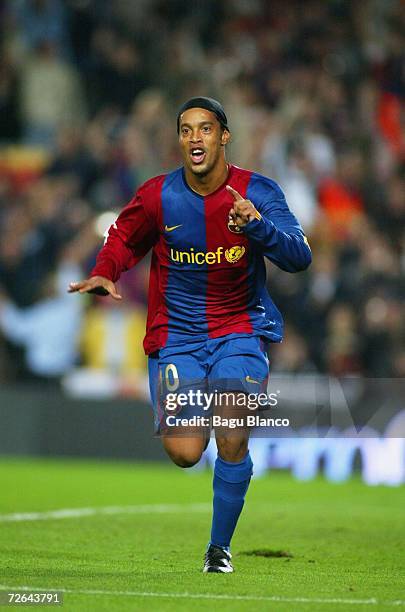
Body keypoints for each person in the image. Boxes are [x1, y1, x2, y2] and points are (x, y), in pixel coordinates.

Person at [69, 96, 312, 573]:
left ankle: (219, 550)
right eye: (185, 130)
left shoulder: (257, 192)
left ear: (224, 136)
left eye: (204, 129)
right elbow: (122, 237)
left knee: (233, 435)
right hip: (176, 336)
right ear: (179, 139)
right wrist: (105, 270)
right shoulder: (159, 195)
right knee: (184, 452)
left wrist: (258, 228)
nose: (194, 138)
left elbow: (299, 257)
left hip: (239, 330)